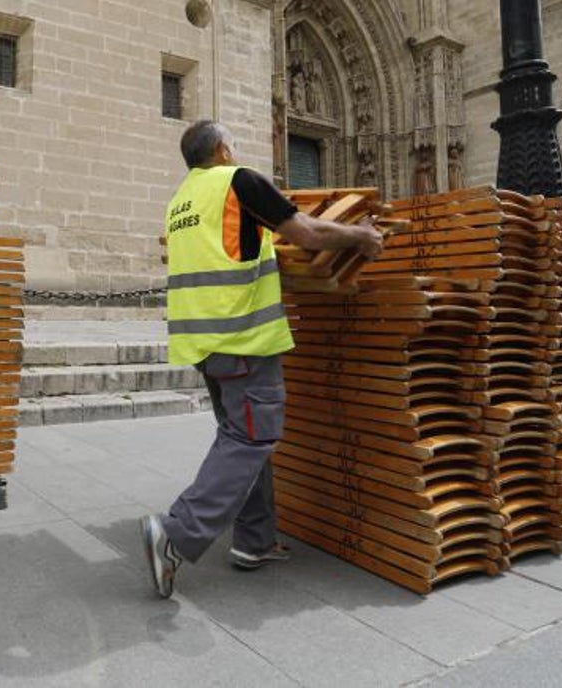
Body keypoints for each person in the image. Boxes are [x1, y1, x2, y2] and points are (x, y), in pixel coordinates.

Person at [141, 119, 383, 599]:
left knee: (241, 436)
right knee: (253, 437)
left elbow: (235, 251)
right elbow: (307, 233)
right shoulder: (240, 181)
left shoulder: (180, 201)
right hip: (243, 337)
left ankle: (254, 541)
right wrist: (360, 237)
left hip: (203, 342)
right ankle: (177, 532)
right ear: (224, 149)